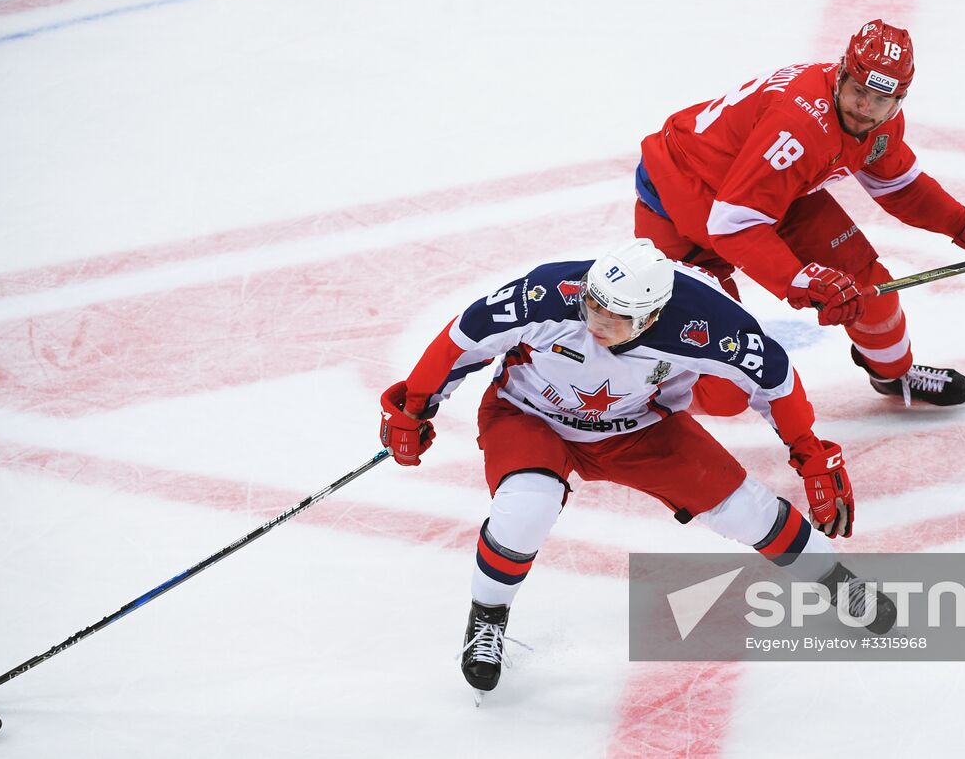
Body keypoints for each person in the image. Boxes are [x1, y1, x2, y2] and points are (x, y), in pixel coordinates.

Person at [378, 238, 893, 699]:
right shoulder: (548, 294)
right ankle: (487, 618)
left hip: (639, 429)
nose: (596, 321)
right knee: (526, 507)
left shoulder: (709, 324)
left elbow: (775, 379)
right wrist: (415, 405)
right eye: (594, 305)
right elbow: (461, 340)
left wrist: (811, 455)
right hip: (529, 415)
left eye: (615, 317)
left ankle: (836, 579)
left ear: (653, 315)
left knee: (746, 512)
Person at [633, 19, 965, 408]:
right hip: (679, 201)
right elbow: (732, 224)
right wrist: (800, 281)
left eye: (881, 99)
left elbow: (898, 186)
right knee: (726, 390)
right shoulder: (799, 124)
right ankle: (635, 399)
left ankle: (892, 374)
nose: (865, 108)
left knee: (870, 291)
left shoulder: (882, 122)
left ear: (899, 100)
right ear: (842, 74)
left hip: (769, 192)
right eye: (858, 92)